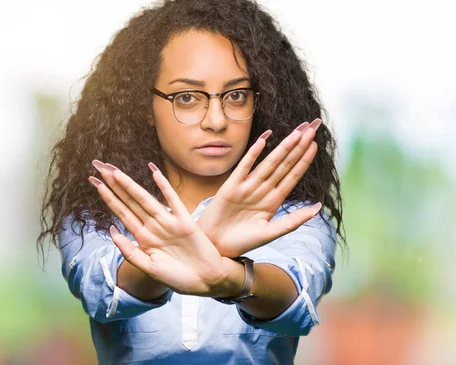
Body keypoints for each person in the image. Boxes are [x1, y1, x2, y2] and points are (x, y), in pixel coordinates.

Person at [37, 0, 344, 364]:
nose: (216, 120)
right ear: (143, 108)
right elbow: (102, 294)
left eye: (236, 95)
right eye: (186, 97)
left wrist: (233, 280)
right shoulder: (98, 210)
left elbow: (299, 301)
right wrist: (205, 244)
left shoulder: (299, 213)